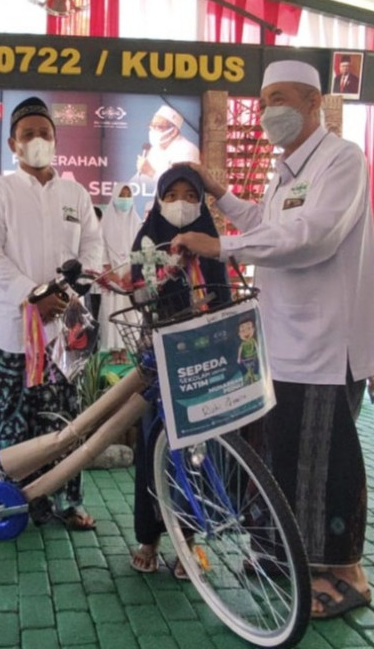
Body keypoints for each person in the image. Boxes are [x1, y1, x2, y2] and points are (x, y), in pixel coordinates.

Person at [171, 60, 374, 620]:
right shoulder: (287, 171)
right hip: (285, 340)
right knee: (287, 456)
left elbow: (312, 237)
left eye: (283, 98)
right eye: (265, 100)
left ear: (315, 103)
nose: (270, 111)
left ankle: (345, 573)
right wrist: (220, 194)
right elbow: (268, 225)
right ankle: (287, 555)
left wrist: (221, 247)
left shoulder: (342, 160)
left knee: (325, 462)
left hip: (327, 342)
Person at [0, 96, 103, 530]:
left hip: (67, 326)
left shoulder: (75, 194)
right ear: (13, 143)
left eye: (44, 133)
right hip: (12, 330)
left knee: (65, 418)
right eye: (27, 134)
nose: (37, 140)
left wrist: (68, 292)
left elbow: (93, 247)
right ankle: (12, 501)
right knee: (10, 418)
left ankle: (68, 501)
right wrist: (32, 295)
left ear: (56, 139)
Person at [127, 165, 230, 578]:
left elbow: (224, 296)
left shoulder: (211, 241)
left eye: (190, 196)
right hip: (158, 358)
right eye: (172, 196)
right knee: (152, 443)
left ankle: (188, 539)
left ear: (201, 203)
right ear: (158, 201)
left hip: (203, 360)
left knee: (197, 449)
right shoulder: (147, 239)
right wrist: (166, 269)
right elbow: (137, 291)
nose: (181, 204)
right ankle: (148, 538)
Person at [97, 184, 142, 360]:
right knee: (112, 310)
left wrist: (133, 273)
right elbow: (101, 248)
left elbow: (140, 249)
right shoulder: (105, 223)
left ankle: (126, 351)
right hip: (112, 274)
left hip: (131, 275)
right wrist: (110, 273)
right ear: (114, 197)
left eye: (128, 195)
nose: (125, 199)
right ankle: (114, 351)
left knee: (130, 312)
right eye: (121, 195)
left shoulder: (137, 222)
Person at [132, 104, 201, 215]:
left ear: (173, 131)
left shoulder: (187, 150)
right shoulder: (155, 149)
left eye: (158, 127)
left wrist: (151, 172)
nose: (152, 130)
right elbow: (137, 183)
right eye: (151, 125)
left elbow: (180, 187)